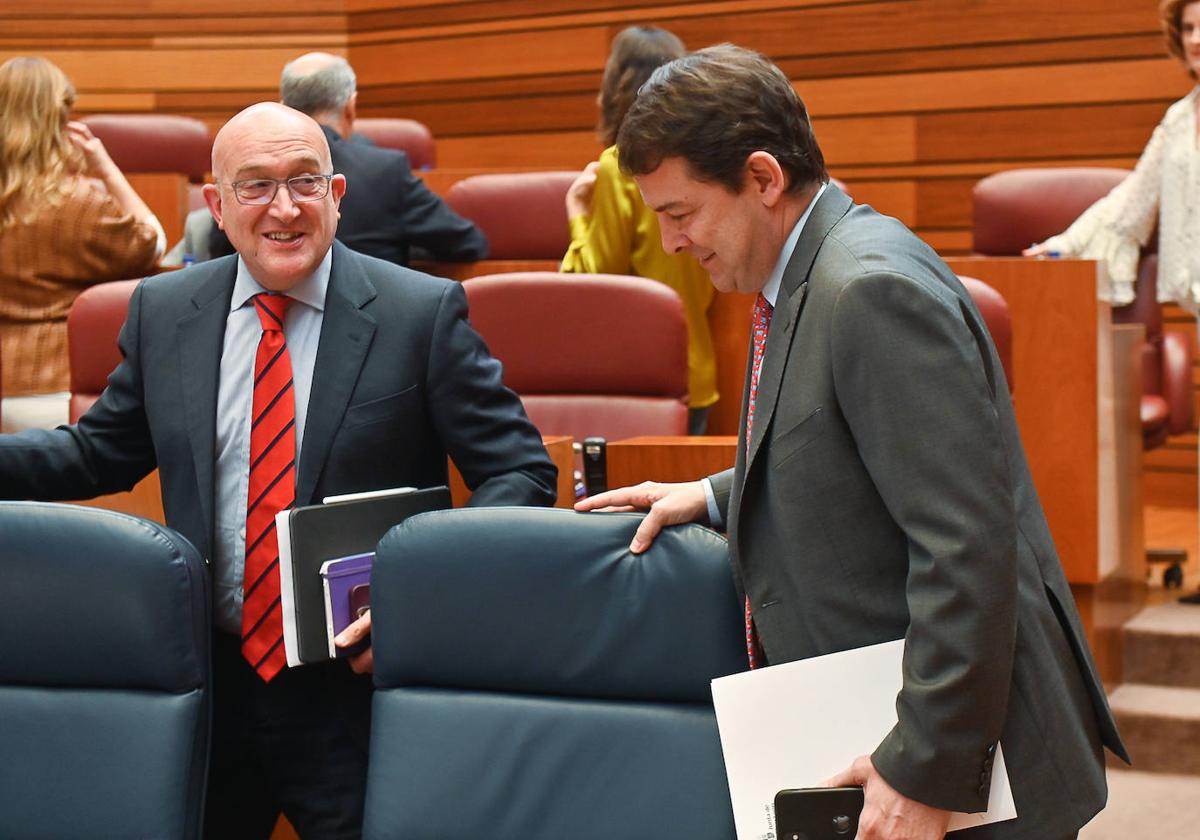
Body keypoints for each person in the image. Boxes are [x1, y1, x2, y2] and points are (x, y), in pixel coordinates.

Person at [577, 45, 1128, 840]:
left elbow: (965, 551)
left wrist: (921, 769)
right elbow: (837, 448)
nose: (670, 245)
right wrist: (710, 494)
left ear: (763, 179)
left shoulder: (870, 290)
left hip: (969, 774)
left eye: (679, 213)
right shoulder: (810, 274)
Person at [0, 102, 556, 839]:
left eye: (304, 182)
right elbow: (97, 451)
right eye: (256, 186)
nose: (284, 208)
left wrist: (419, 599)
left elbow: (519, 471)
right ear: (217, 206)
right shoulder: (165, 311)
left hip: (353, 689)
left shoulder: (418, 313)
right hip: (207, 681)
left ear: (337, 194)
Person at [168, 51, 487, 267]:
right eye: (263, 185)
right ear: (351, 107)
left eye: (306, 183)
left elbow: (221, 250)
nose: (286, 210)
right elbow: (467, 243)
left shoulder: (244, 172)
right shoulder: (386, 171)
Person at [561, 26, 718, 433]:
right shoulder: (705, 163)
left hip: (634, 380)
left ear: (617, 85)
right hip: (696, 370)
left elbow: (591, 286)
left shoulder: (619, 166)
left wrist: (577, 213)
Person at [0, 57, 164, 431]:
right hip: (54, 388)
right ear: (57, 120)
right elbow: (151, 242)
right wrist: (105, 168)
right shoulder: (74, 203)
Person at [1024, 0, 1200, 313]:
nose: (1196, 39)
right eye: (1188, 28)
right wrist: (1067, 245)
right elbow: (1130, 204)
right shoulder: (1178, 119)